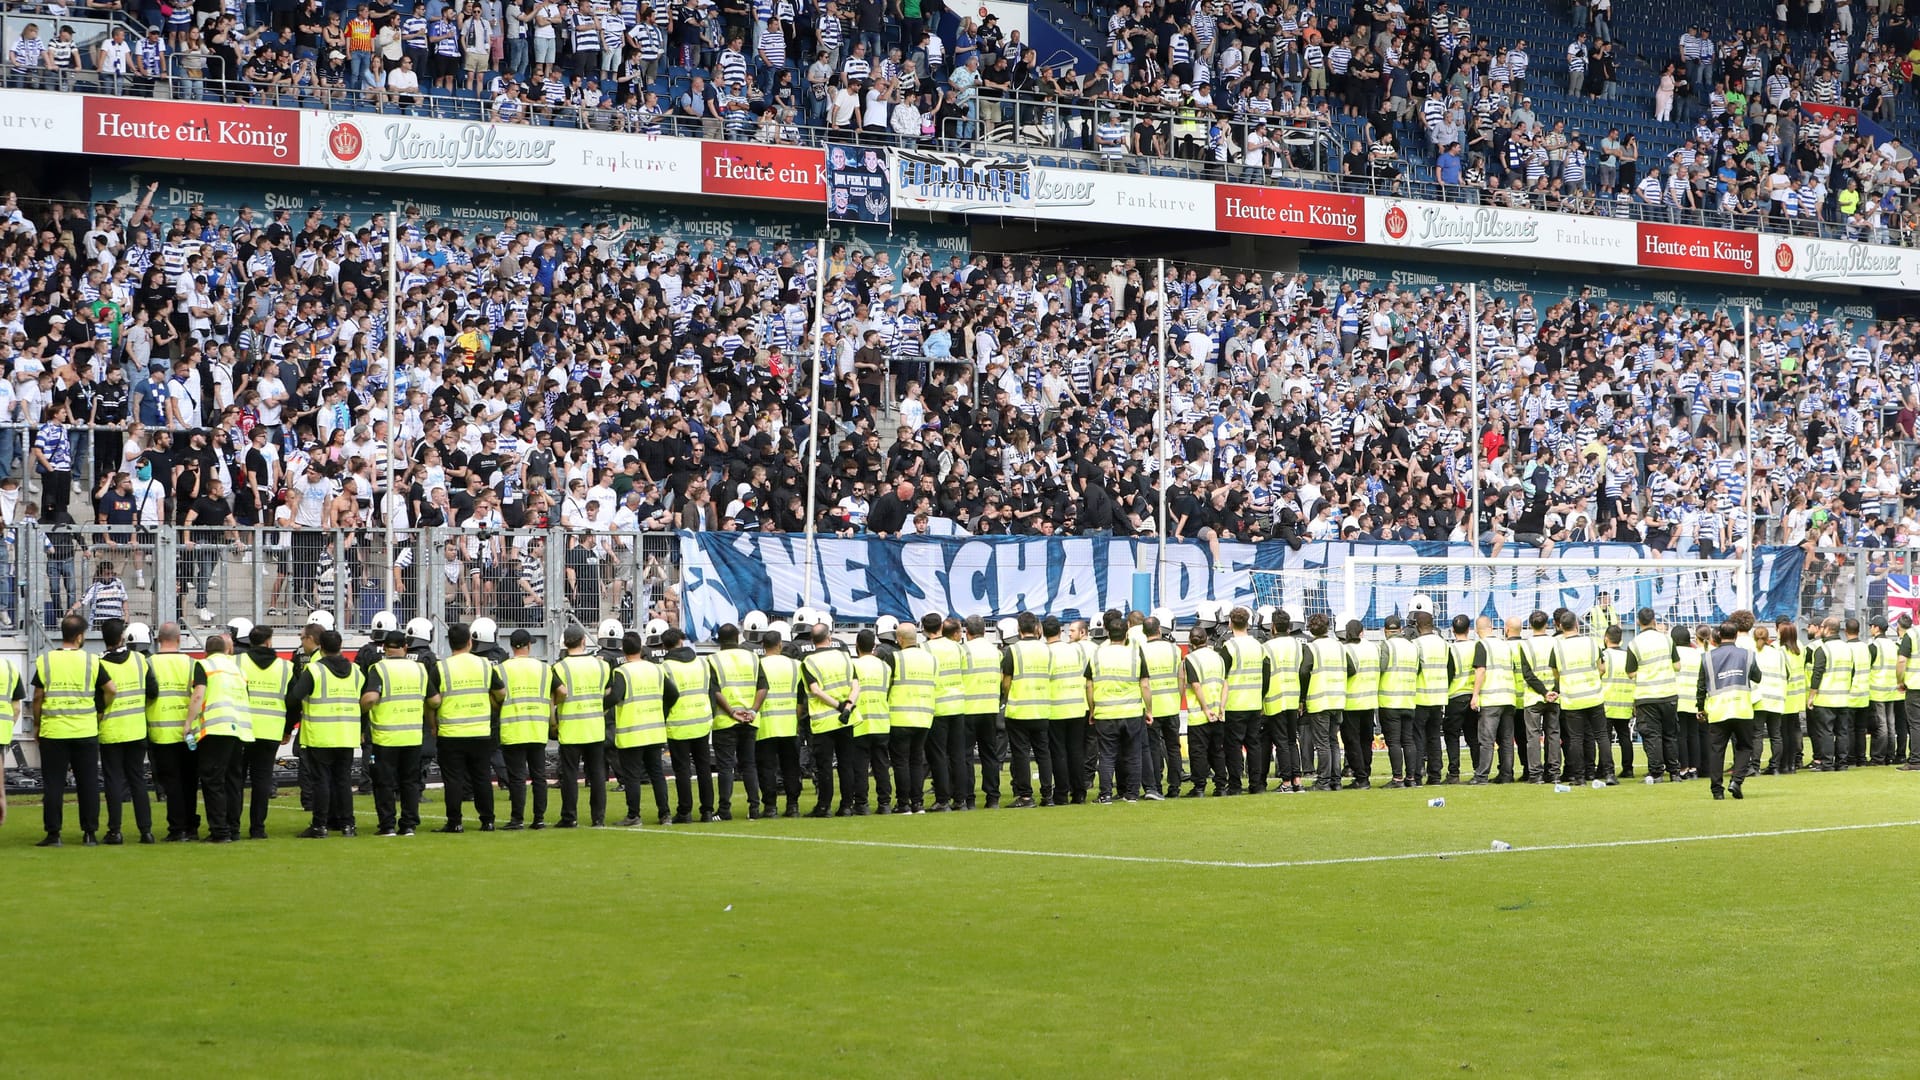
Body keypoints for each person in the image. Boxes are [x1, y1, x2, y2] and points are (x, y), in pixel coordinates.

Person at [32, 613, 114, 846]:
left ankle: (53, 834)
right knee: (88, 784)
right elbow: (112, 689)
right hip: (85, 730)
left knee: (54, 785)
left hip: (54, 731)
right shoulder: (91, 661)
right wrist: (100, 709)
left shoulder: (46, 660)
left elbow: (38, 696)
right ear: (80, 636)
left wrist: (37, 724)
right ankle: (89, 833)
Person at [290, 628, 363, 837]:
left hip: (320, 734)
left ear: (321, 647)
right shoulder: (356, 671)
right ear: (341, 646)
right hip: (347, 733)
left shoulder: (314, 670)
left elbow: (295, 696)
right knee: (343, 781)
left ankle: (319, 825)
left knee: (321, 781)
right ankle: (348, 824)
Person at [362, 629, 434, 836]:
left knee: (384, 783)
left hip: (386, 737)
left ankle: (387, 826)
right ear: (405, 647)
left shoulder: (379, 668)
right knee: (410, 782)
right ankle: (409, 825)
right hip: (412, 736)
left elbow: (370, 698)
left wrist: (361, 710)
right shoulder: (419, 669)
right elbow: (435, 700)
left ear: (384, 648)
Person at [435, 622, 502, 832]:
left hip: (451, 732)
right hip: (480, 731)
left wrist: (433, 723)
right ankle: (488, 820)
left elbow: (433, 700)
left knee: (453, 780)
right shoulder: (484, 665)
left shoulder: (441, 667)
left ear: (450, 643)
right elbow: (501, 693)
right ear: (470, 642)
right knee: (482, 777)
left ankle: (455, 822)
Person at [95, 618, 153, 844]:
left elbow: (98, 698)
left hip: (110, 730)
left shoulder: (99, 663)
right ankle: (146, 831)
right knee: (137, 780)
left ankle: (115, 831)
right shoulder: (140, 660)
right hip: (137, 729)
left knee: (113, 781)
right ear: (122, 637)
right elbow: (153, 691)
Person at [608, 630, 674, 826]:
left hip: (632, 731)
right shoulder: (656, 669)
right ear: (641, 648)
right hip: (654, 730)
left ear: (623, 650)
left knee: (632, 776)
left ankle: (633, 815)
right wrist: (662, 712)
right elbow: (673, 694)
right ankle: (665, 814)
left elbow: (614, 697)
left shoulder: (622, 672)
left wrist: (598, 705)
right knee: (656, 774)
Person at [146, 622, 205, 840]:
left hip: (161, 733)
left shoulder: (148, 664)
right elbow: (199, 696)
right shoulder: (193, 664)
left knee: (171, 784)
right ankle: (191, 825)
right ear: (179, 639)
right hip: (189, 734)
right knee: (190, 782)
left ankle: (177, 828)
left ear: (158, 640)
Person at [191, 633, 252, 844]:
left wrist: (188, 723)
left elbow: (199, 695)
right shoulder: (238, 669)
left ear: (206, 651)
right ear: (227, 649)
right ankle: (233, 828)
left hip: (216, 728)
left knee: (213, 780)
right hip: (239, 729)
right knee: (233, 780)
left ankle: (219, 830)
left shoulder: (204, 665)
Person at [1087, 610, 1152, 803]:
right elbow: (1145, 685)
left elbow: (1089, 685)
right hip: (1132, 712)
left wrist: (1092, 709)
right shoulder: (1135, 655)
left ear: (1107, 633)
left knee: (1106, 756)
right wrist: (1149, 710)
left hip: (1105, 712)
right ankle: (1132, 794)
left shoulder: (1097, 654)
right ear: (1127, 634)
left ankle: (1105, 794)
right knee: (1133, 754)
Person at [552, 624, 612, 827]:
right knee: (596, 774)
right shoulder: (602, 665)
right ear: (583, 641)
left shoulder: (560, 667)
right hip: (594, 725)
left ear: (564, 644)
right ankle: (598, 818)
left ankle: (570, 817)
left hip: (570, 728)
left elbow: (558, 694)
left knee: (569, 774)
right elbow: (608, 692)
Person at [237, 625, 293, 839]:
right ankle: (258, 829)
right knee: (262, 781)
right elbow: (293, 700)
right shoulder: (285, 667)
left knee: (236, 780)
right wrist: (288, 728)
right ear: (269, 642)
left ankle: (232, 825)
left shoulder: (238, 662)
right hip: (271, 729)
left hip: (242, 728)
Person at [1696, 621, 1761, 800]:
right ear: (1736, 635)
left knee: (1717, 751)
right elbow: (1758, 677)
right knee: (1744, 747)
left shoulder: (1707, 657)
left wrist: (1700, 707)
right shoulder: (1747, 655)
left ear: (1718, 635)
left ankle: (1717, 791)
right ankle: (1736, 781)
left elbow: (1701, 686)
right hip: (1742, 708)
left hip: (1718, 710)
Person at [496, 629, 553, 829]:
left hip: (513, 727)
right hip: (537, 727)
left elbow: (496, 696)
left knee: (517, 777)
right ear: (529, 645)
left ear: (511, 647)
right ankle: (539, 818)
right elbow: (560, 691)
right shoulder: (544, 668)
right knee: (539, 776)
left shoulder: (501, 669)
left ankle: (517, 819)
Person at [801, 621, 859, 816]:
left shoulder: (808, 662)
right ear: (830, 637)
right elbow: (856, 684)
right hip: (846, 718)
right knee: (846, 763)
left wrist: (837, 705)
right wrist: (848, 705)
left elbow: (815, 690)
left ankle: (824, 806)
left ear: (811, 641)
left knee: (824, 766)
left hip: (823, 721)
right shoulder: (844, 656)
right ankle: (847, 805)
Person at [1550, 609, 1613, 785]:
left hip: (1572, 698)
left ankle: (1579, 777)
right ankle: (1608, 774)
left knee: (1575, 738)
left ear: (1561, 626)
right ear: (1577, 624)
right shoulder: (1592, 643)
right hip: (1594, 695)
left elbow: (1555, 672)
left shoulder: (1557, 646)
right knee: (1601, 736)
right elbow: (1602, 668)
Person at [706, 622, 762, 821]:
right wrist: (753, 710)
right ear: (738, 637)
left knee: (725, 767)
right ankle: (754, 809)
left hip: (726, 721)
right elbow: (763, 687)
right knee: (749, 765)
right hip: (750, 719)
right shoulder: (753, 657)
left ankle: (724, 811)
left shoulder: (712, 660)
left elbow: (715, 690)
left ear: (719, 640)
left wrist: (731, 712)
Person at [1000, 611, 1053, 808]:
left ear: (1019, 629)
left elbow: (1006, 681)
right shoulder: (1047, 650)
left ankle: (1025, 796)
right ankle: (1048, 794)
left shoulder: (1013, 651)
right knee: (1043, 753)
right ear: (1037, 628)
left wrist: (1009, 695)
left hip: (1019, 710)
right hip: (1042, 708)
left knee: (1021, 754)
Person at [1624, 606, 1681, 782]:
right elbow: (1677, 666)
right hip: (1669, 694)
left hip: (1647, 695)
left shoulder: (1634, 644)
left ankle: (1656, 772)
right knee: (1670, 735)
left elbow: (1630, 672)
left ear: (1638, 622)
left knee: (1652, 735)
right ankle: (1674, 772)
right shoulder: (1667, 640)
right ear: (1654, 621)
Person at [751, 629, 804, 818]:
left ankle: (770, 806)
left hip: (765, 724)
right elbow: (801, 698)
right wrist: (796, 719)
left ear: (762, 646)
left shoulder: (757, 665)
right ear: (780, 644)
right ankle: (793, 805)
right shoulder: (796, 665)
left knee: (767, 767)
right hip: (789, 724)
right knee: (791, 766)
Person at [1219, 606, 1271, 794]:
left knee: (1233, 746)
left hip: (1234, 703)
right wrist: (1261, 696)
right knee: (1254, 744)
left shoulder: (1229, 647)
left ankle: (1235, 785)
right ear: (1248, 623)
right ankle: (1256, 785)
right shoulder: (1259, 646)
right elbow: (1267, 675)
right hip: (1254, 702)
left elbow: (1221, 676)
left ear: (1231, 623)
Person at [887, 623, 937, 812]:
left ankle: (903, 803)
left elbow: (888, 685)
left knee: (901, 762)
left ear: (899, 639)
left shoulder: (895, 658)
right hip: (924, 716)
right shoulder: (931, 659)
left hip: (900, 717)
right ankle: (917, 802)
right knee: (917, 761)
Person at [1301, 613, 1351, 792]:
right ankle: (1336, 781)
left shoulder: (1312, 648)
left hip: (1319, 699)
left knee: (1322, 743)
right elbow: (1351, 668)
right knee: (1333, 742)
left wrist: (1302, 697)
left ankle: (1323, 781)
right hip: (1338, 698)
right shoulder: (1339, 646)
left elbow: (1304, 672)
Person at [923, 614, 967, 811]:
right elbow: (964, 672)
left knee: (938, 756)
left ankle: (942, 799)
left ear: (923, 629)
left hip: (937, 707)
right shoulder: (957, 647)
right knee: (958, 755)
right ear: (941, 626)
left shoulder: (924, 648)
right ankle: (961, 799)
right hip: (957, 705)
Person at [1045, 617, 1090, 805]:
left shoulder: (1045, 653)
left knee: (1059, 753)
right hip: (1077, 706)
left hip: (1055, 708)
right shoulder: (1075, 650)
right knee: (1076, 752)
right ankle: (1079, 792)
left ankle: (1062, 793)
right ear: (1060, 631)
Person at [959, 615, 1003, 808]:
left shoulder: (963, 651)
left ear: (966, 632)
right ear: (985, 631)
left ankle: (969, 798)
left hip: (968, 708)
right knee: (990, 754)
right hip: (990, 708)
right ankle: (992, 797)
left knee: (966, 755)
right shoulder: (995, 652)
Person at [1467, 616, 1517, 784]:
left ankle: (1481, 776)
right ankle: (1506, 774)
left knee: (1486, 740)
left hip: (1491, 698)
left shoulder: (1482, 645)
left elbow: (1481, 671)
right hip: (1508, 697)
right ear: (1492, 627)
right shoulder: (1505, 645)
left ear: (1476, 630)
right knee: (1506, 740)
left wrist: (1475, 695)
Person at [848, 628, 893, 814]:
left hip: (860, 721)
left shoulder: (853, 666)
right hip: (881, 719)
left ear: (857, 646)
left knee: (860, 765)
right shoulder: (885, 667)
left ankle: (862, 803)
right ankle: (884, 803)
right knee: (881, 764)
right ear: (874, 646)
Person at [1259, 610, 1303, 793]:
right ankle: (1297, 780)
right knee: (1292, 740)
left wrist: (1261, 699)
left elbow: (1265, 675)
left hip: (1275, 697)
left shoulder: (1267, 647)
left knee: (1281, 742)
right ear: (1290, 626)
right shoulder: (1298, 645)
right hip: (1293, 696)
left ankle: (1286, 782)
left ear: (1273, 627)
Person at [1142, 617, 1187, 796]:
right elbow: (1181, 677)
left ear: (1144, 632)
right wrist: (1178, 697)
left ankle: (1155, 787)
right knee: (1173, 747)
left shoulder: (1141, 651)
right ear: (1159, 629)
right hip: (1171, 704)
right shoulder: (1174, 650)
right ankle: (1175, 787)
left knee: (1153, 748)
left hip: (1151, 707)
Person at [1182, 626, 1228, 796]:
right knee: (1217, 751)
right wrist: (1222, 707)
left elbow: (1195, 685)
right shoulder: (1218, 658)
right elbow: (1224, 684)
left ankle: (1199, 787)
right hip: (1218, 712)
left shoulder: (1190, 659)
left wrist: (1205, 708)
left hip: (1199, 715)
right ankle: (1221, 786)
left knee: (1198, 752)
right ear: (1206, 639)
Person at [1807, 616, 1854, 771]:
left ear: (1827, 629)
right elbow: (1852, 671)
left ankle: (1827, 763)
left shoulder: (1823, 649)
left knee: (1826, 732)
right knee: (1842, 732)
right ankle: (1842, 763)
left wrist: (1811, 696)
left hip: (1825, 698)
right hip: (1843, 697)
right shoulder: (1847, 648)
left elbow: (1817, 674)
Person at [1411, 610, 1452, 785]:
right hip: (1439, 697)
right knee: (1434, 737)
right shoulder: (1443, 644)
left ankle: (1418, 773)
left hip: (1420, 696)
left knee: (1419, 737)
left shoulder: (1416, 644)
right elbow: (1451, 669)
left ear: (1417, 626)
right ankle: (1435, 775)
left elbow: (1414, 670)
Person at [1378, 613, 1417, 787]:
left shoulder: (1387, 646)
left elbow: (1381, 667)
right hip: (1409, 699)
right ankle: (1411, 778)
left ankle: (1397, 778)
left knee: (1394, 742)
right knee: (1408, 740)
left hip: (1390, 700)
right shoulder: (1412, 646)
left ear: (1386, 631)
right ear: (1400, 630)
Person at [1341, 618, 1380, 790]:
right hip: (1370, 700)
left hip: (1351, 701)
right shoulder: (1373, 648)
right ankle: (1366, 773)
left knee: (1352, 741)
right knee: (1366, 740)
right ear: (1362, 632)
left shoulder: (1345, 650)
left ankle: (1361, 777)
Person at [1444, 614, 1479, 782]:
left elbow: (1448, 674)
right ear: (1469, 630)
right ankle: (1478, 770)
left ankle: (1454, 773)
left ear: (1452, 631)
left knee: (1452, 736)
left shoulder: (1450, 649)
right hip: (1473, 696)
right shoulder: (1477, 646)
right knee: (1473, 736)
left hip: (1455, 696)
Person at [1601, 625, 1636, 778]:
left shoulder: (1604, 656)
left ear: (1606, 638)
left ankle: (1605, 768)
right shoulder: (1628, 655)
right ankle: (1628, 768)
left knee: (1605, 738)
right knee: (1624, 737)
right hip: (1625, 702)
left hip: (1606, 703)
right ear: (1621, 639)